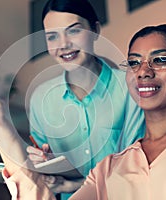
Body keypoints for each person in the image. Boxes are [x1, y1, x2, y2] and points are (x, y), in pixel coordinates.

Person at [0, 24, 166, 199]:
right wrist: (2, 131)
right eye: (134, 62)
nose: (143, 70)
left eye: (161, 59)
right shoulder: (108, 168)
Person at [25, 0, 145, 198]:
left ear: (95, 30)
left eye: (74, 31)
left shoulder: (129, 88)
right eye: (52, 36)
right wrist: (42, 162)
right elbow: (42, 174)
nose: (63, 44)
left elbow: (136, 166)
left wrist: (76, 186)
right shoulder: (40, 99)